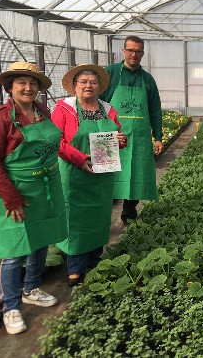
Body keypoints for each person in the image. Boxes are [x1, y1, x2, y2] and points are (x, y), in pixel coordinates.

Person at [0, 62, 67, 334]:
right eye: (21, 82)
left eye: (33, 83)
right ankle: (11, 306)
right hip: (17, 190)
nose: (28, 87)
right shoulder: (0, 118)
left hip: (43, 188)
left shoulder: (41, 110)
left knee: (40, 240)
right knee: (14, 250)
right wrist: (11, 198)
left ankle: (31, 288)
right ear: (10, 87)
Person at [53, 64, 128, 287]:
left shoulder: (107, 108)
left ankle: (95, 260)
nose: (88, 86)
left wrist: (121, 141)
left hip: (102, 174)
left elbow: (117, 136)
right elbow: (56, 142)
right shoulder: (64, 108)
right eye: (83, 82)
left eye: (93, 82)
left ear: (99, 87)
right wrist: (81, 159)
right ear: (74, 86)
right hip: (74, 173)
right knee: (75, 218)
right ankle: (75, 266)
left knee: (99, 216)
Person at [100, 35, 162, 224]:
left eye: (138, 51)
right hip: (109, 134)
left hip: (139, 136)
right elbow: (97, 103)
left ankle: (129, 212)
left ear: (143, 53)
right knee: (105, 174)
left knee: (135, 172)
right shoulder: (109, 73)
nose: (134, 54)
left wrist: (158, 136)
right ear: (123, 51)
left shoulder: (148, 80)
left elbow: (155, 110)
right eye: (131, 50)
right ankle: (101, 215)